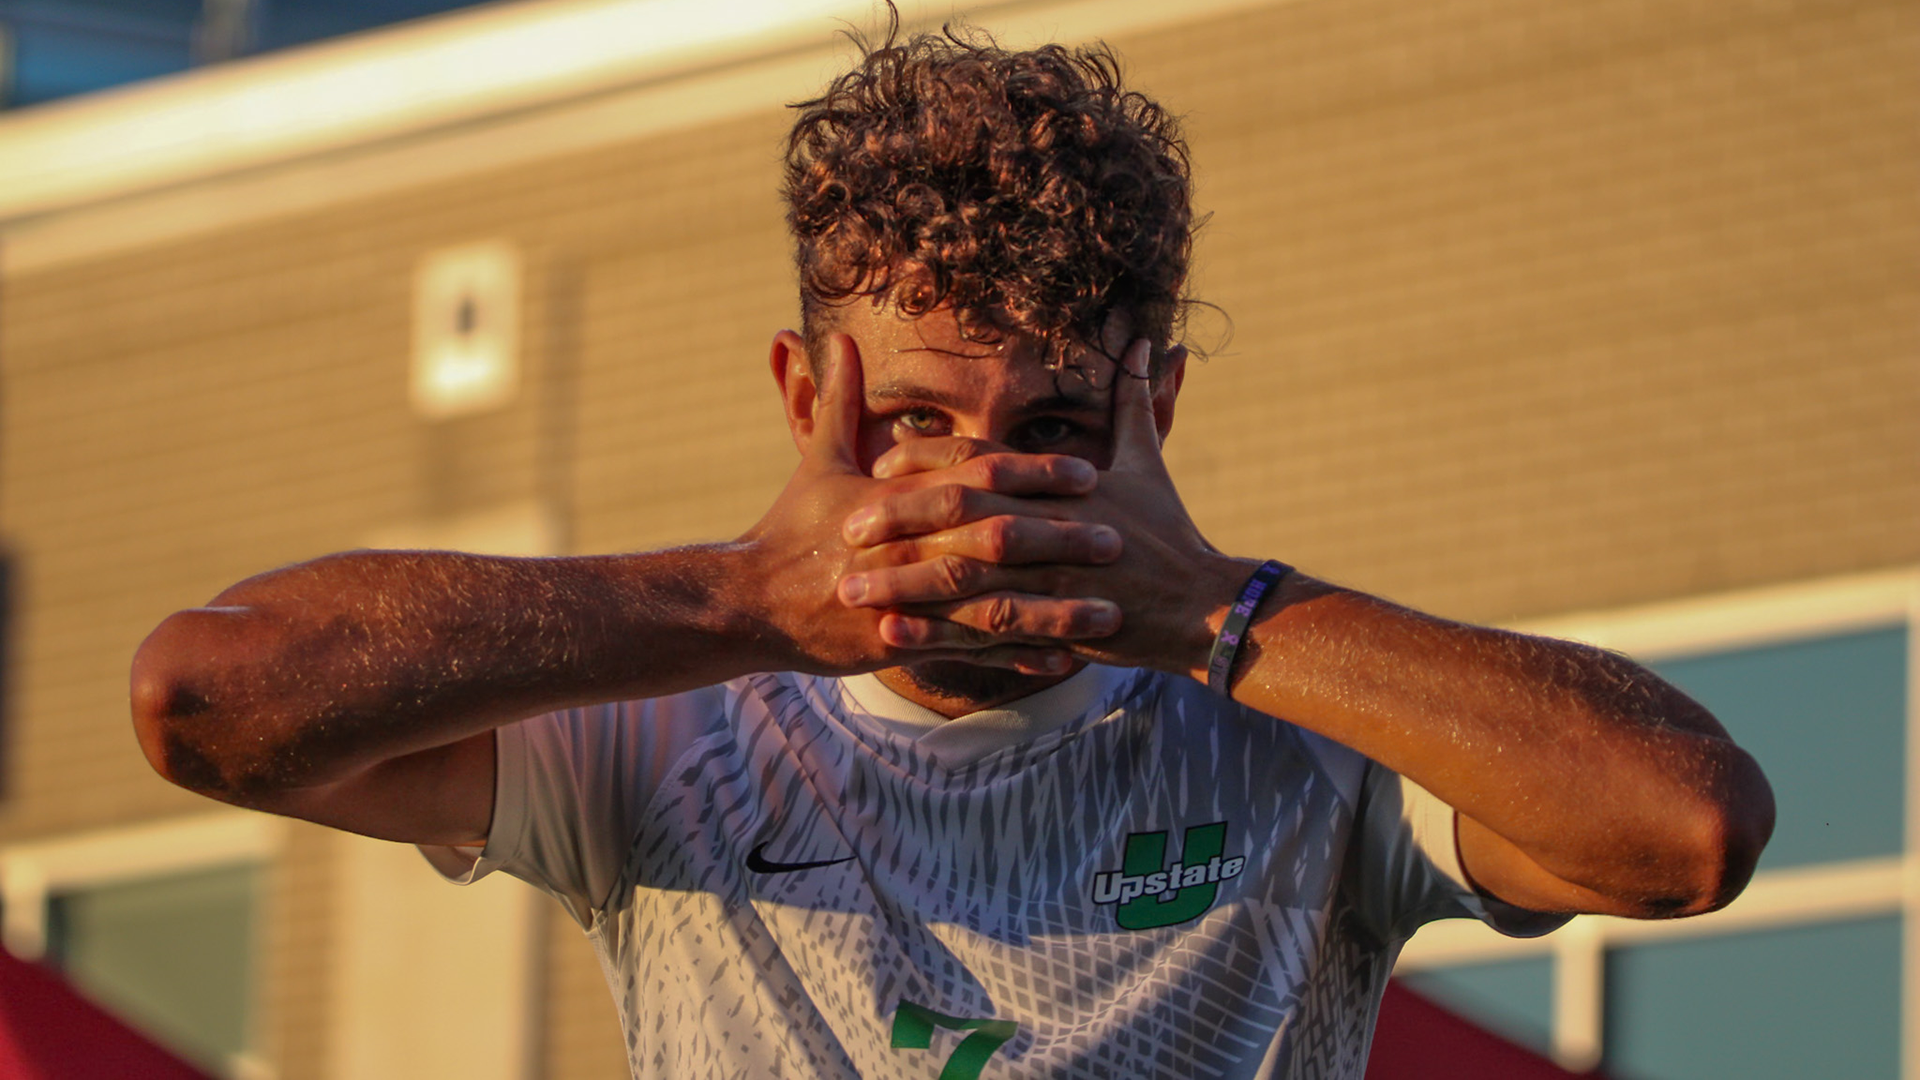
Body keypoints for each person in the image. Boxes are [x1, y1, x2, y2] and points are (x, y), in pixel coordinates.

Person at [130, 17, 1773, 1079]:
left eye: (1054, 431)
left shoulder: (1300, 735)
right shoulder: (660, 727)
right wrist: (736, 598)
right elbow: (206, 701)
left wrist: (1210, 607)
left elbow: (1685, 831)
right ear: (802, 395)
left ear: (1161, 411)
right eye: (917, 421)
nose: (985, 499)